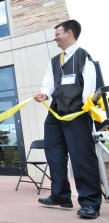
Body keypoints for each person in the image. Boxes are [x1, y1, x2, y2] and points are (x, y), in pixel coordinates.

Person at [34, 20, 101, 219]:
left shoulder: (83, 56)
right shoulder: (55, 60)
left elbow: (89, 88)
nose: (55, 38)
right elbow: (49, 82)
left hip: (77, 113)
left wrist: (84, 112)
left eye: (57, 34)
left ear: (69, 33)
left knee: (81, 157)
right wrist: (45, 94)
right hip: (56, 113)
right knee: (54, 153)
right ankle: (61, 195)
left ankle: (90, 202)